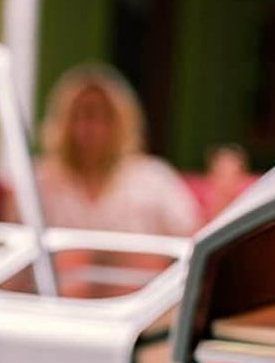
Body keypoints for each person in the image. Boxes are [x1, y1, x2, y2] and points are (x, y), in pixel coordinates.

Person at [26, 64, 200, 238]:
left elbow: (192, 239)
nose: (89, 128)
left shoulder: (155, 179)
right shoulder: (37, 183)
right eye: (80, 115)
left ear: (123, 121)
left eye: (101, 116)